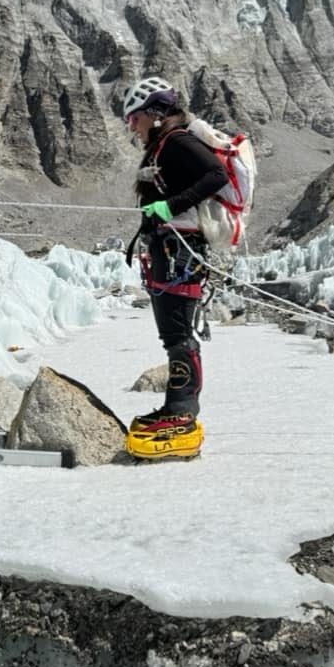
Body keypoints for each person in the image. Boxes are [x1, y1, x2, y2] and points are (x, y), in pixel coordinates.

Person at [123, 76, 230, 459]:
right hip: (170, 249)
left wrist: (170, 206)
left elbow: (215, 175)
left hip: (180, 251)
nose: (130, 127)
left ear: (152, 113)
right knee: (174, 333)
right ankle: (175, 407)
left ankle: (183, 413)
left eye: (133, 119)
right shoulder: (164, 144)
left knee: (179, 334)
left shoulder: (177, 141)